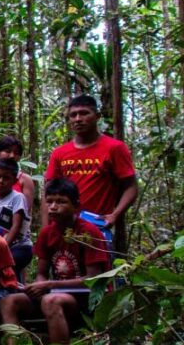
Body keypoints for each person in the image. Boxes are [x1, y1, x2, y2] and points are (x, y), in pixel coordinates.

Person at [0, 179, 111, 345]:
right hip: (56, 293)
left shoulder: (88, 232)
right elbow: (42, 272)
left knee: (51, 301)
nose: (53, 207)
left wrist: (49, 285)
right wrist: (39, 286)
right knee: (8, 301)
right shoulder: (47, 233)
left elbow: (93, 280)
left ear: (76, 205)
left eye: (61, 202)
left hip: (86, 299)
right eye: (49, 201)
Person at [43, 95, 138, 247]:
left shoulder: (114, 148)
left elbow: (131, 187)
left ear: (97, 116)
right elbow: (48, 192)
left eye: (84, 113)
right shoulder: (59, 153)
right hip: (64, 226)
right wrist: (47, 230)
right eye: (73, 115)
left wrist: (115, 215)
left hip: (97, 226)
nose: (78, 119)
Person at [0, 158, 34, 279]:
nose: (1, 181)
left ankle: (17, 289)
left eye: (6, 178)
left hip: (20, 246)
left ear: (15, 180)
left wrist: (3, 247)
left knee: (7, 268)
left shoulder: (17, 197)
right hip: (3, 247)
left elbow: (16, 225)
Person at [0, 136, 36, 213]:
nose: (12, 156)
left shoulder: (25, 180)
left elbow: (25, 211)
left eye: (16, 153)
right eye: (7, 151)